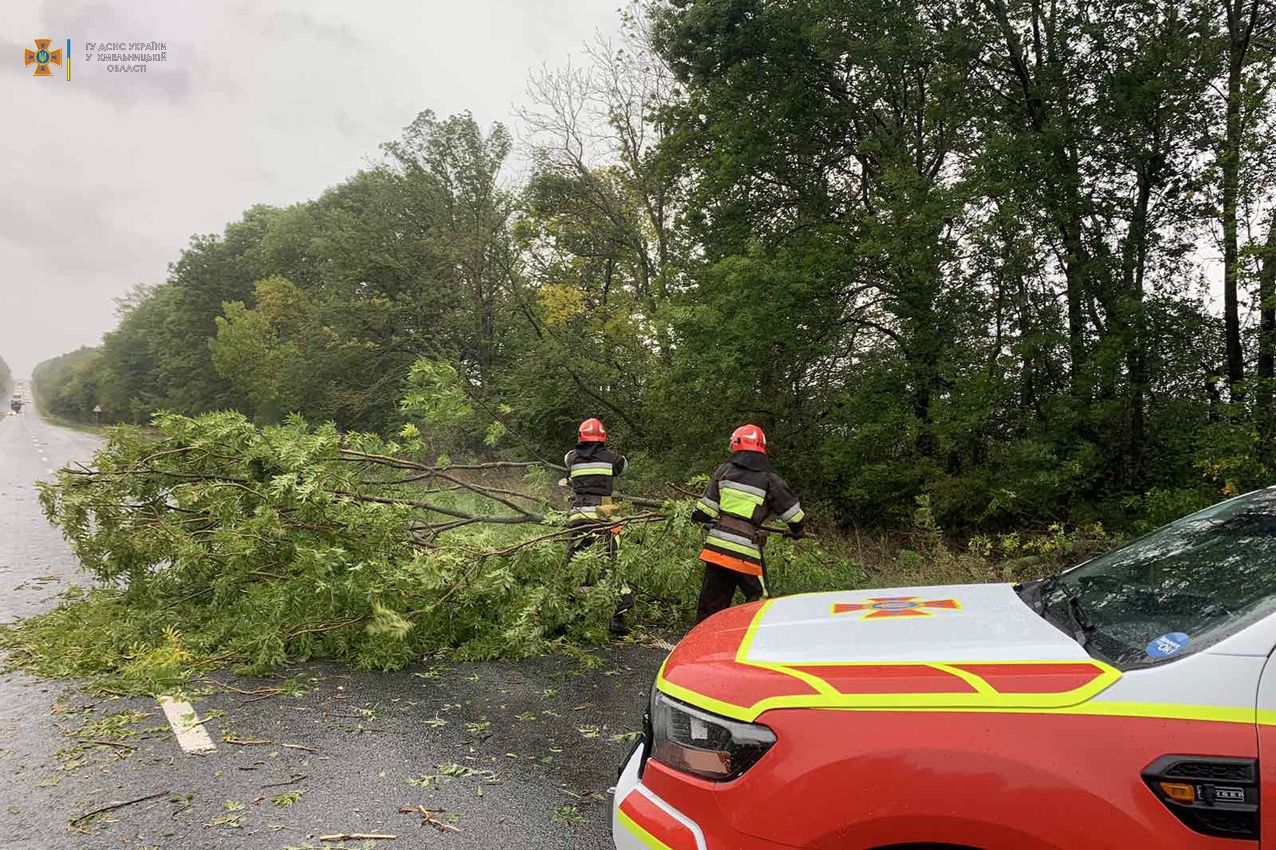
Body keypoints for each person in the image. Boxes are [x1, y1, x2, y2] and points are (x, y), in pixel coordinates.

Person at [691, 424, 805, 623]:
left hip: (717, 550)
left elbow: (704, 511)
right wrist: (796, 531)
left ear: (735, 445)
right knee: (760, 601)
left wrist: (695, 516)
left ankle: (702, 644)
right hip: (746, 553)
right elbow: (794, 516)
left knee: (711, 605)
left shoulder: (723, 471)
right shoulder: (770, 480)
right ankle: (749, 640)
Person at [564, 417, 632, 634]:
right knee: (611, 562)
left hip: (578, 517)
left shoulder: (572, 459)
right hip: (602, 517)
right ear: (603, 439)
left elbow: (567, 462)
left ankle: (574, 613)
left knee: (577, 563)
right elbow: (624, 465)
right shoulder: (612, 459)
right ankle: (617, 617)